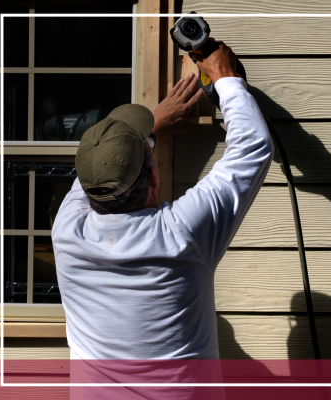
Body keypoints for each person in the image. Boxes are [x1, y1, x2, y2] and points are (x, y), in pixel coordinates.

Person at [51, 39, 273, 398]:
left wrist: (151, 125)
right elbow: (253, 147)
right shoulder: (181, 234)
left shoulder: (65, 230)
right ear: (154, 178)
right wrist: (225, 76)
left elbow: (98, 171)